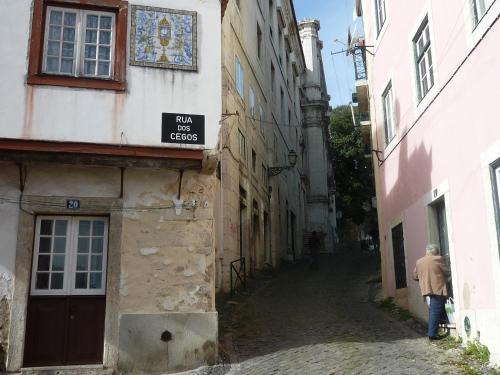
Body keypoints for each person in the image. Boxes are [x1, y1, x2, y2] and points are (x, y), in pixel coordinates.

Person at [413, 244, 451, 340]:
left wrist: (423, 279)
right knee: (435, 310)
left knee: (433, 310)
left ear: (427, 251)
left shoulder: (419, 262)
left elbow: (415, 276)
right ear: (436, 252)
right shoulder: (438, 259)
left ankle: (438, 327)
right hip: (437, 289)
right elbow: (448, 271)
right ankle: (432, 334)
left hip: (426, 290)